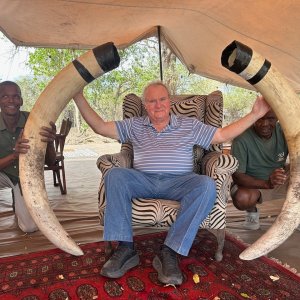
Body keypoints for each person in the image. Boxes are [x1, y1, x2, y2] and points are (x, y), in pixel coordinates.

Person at [73, 81, 270, 285]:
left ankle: (169, 251)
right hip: (144, 180)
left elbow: (221, 135)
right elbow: (100, 127)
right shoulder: (134, 125)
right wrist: (77, 95)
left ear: (169, 101)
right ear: (145, 105)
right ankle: (125, 248)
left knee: (206, 185)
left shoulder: (188, 125)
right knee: (115, 176)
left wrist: (254, 114)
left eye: (162, 99)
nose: (158, 105)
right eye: (152, 101)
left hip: (180, 182)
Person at [0, 81, 56, 233]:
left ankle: (19, 198)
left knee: (29, 227)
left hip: (25, 178)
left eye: (15, 96)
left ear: (21, 101)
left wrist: (50, 142)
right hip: (3, 173)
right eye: (5, 96)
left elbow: (51, 162)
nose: (11, 101)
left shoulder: (36, 121)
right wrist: (14, 155)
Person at [230, 110, 290, 230]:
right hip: (254, 184)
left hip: (280, 177)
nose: (264, 124)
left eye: (271, 119)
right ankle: (252, 212)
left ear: (278, 118)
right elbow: (238, 176)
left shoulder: (285, 131)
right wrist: (267, 183)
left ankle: (295, 215)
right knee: (242, 198)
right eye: (260, 118)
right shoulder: (241, 138)